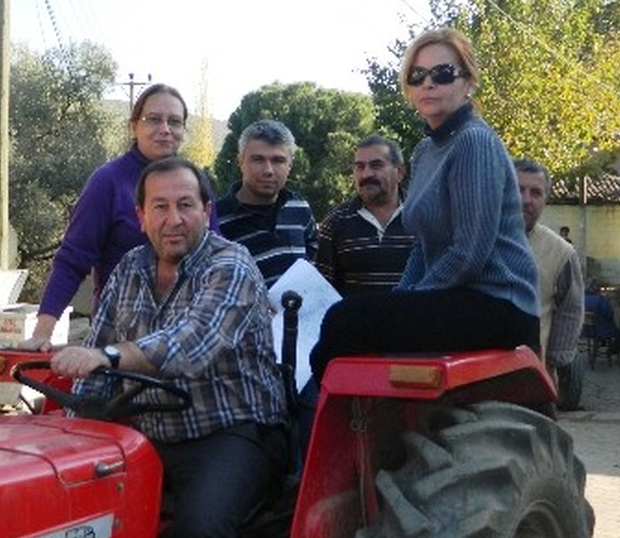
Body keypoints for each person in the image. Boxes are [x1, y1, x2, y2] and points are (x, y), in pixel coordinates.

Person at [47, 157, 288, 538]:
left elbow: (189, 346)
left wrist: (105, 359)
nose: (173, 218)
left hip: (235, 431)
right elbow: (98, 349)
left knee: (202, 524)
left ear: (208, 210)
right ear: (140, 215)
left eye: (186, 205)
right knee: (62, 497)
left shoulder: (232, 265)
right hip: (148, 430)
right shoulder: (129, 267)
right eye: (160, 206)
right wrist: (69, 404)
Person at [309, 28, 539, 382]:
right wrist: (403, 297)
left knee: (345, 320)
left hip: (499, 302)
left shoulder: (473, 142)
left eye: (443, 73)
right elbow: (422, 245)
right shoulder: (425, 150)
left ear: (468, 82)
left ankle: (323, 425)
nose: (428, 84)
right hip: (458, 297)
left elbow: (469, 253)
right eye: (417, 76)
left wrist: (410, 301)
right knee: (350, 321)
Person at [24, 83, 191, 350]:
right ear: (134, 126)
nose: (165, 129)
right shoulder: (108, 182)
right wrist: (42, 332)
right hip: (118, 337)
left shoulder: (194, 183)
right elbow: (72, 260)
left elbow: (212, 256)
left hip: (185, 338)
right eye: (153, 120)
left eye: (174, 121)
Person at [214, 119, 318, 287]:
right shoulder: (216, 219)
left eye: (278, 161)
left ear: (290, 164)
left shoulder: (299, 209)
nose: (268, 170)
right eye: (258, 160)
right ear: (240, 161)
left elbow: (313, 257)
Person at [314, 135, 414, 295]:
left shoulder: (424, 217)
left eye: (376, 165)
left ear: (400, 172)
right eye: (359, 167)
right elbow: (323, 290)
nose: (366, 174)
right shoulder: (335, 223)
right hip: (357, 320)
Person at [515, 158, 584, 380]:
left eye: (536, 193)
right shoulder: (475, 241)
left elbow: (570, 309)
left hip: (532, 380)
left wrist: (554, 362)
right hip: (475, 378)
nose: (526, 200)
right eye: (518, 189)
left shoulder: (561, 252)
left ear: (547, 198)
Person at [584, 279, 620, 356]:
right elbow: (609, 314)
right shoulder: (600, 299)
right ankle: (613, 350)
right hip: (601, 330)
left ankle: (603, 343)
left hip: (584, 330)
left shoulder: (582, 298)